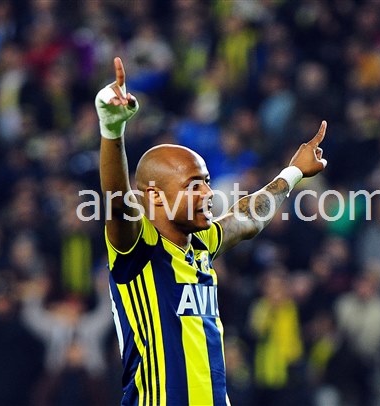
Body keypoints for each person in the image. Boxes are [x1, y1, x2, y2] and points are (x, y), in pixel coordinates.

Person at [95, 57, 328, 406]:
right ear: (155, 196)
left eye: (206, 182)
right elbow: (117, 201)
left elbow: (248, 217)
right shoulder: (139, 249)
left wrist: (292, 173)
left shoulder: (201, 243)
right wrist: (112, 130)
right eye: (193, 185)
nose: (207, 193)